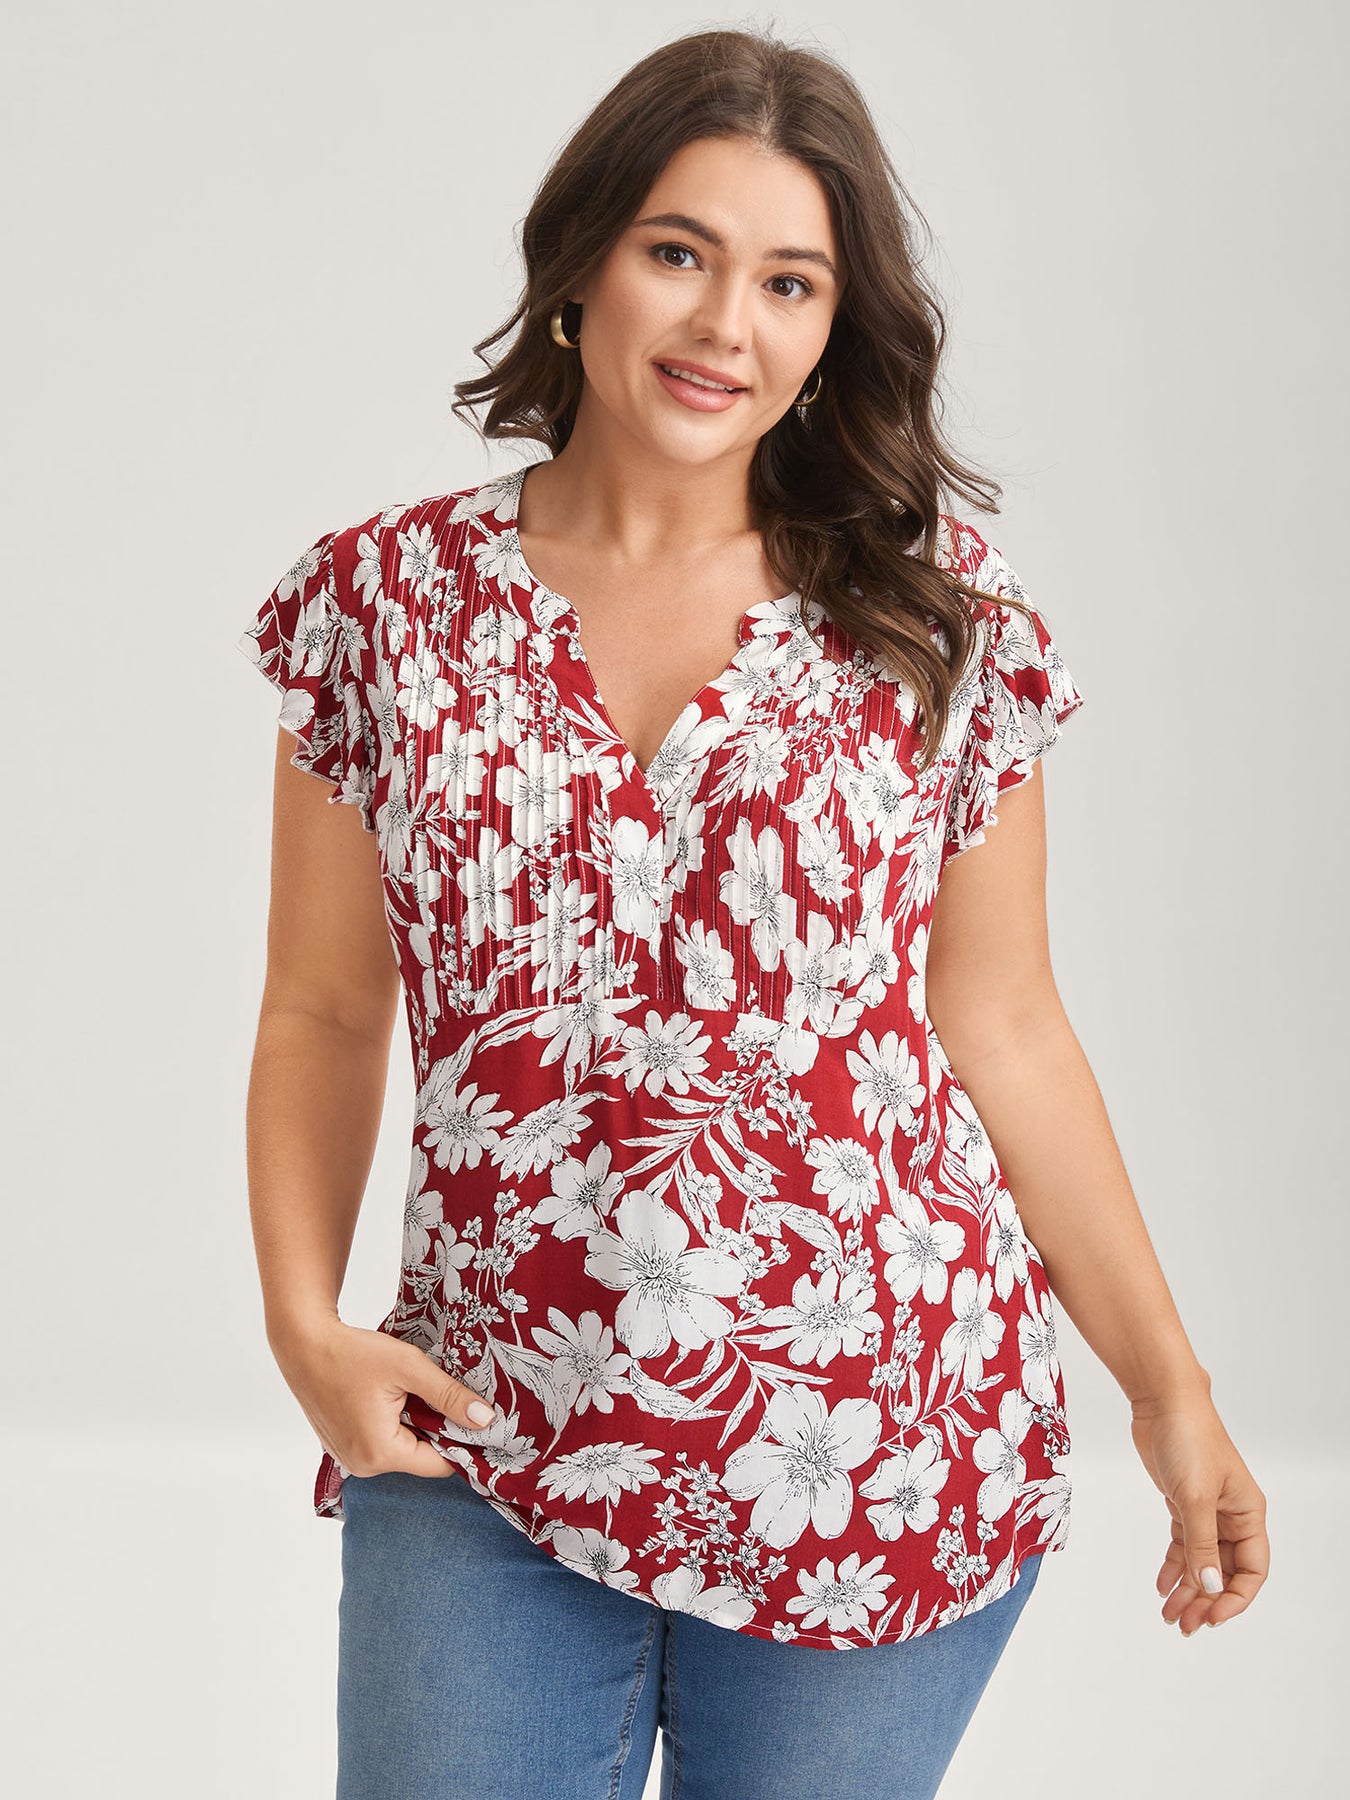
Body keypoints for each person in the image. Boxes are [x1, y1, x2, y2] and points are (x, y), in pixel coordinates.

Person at [237, 26, 1269, 1800]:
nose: (725, 324)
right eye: (679, 252)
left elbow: (1005, 1026)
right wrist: (301, 1323)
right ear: (581, 262)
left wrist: (1168, 1389)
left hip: (876, 1442)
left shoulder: (933, 621)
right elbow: (323, 1010)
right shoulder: (383, 603)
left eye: (789, 281)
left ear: (831, 329)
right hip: (484, 1419)